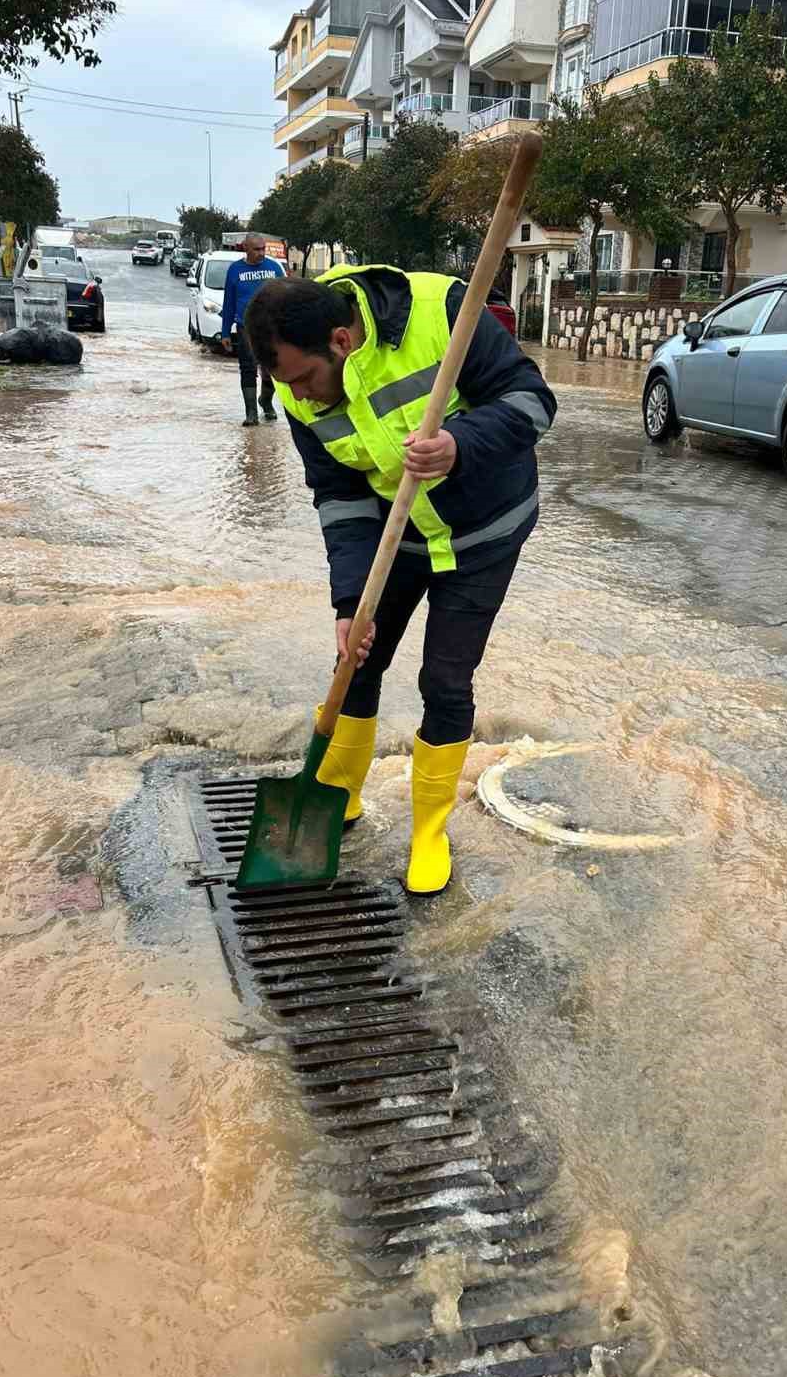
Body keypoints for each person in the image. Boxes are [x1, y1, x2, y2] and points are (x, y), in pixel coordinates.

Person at [245, 265, 556, 896]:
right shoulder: (297, 392)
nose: (299, 399)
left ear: (340, 340)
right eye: (286, 386)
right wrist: (349, 601)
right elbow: (338, 498)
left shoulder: (442, 311)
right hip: (398, 533)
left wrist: (459, 445)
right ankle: (335, 795)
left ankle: (429, 833)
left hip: (483, 535)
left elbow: (533, 402)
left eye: (303, 380)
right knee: (355, 658)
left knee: (444, 678)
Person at [220, 233, 285, 426]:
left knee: (273, 368)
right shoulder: (235, 271)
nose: (261, 253)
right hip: (245, 327)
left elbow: (286, 297)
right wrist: (225, 332)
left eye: (263, 249)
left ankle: (265, 400)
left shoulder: (274, 268)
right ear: (245, 249)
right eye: (257, 249)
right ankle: (251, 413)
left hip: (271, 327)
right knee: (248, 368)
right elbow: (229, 303)